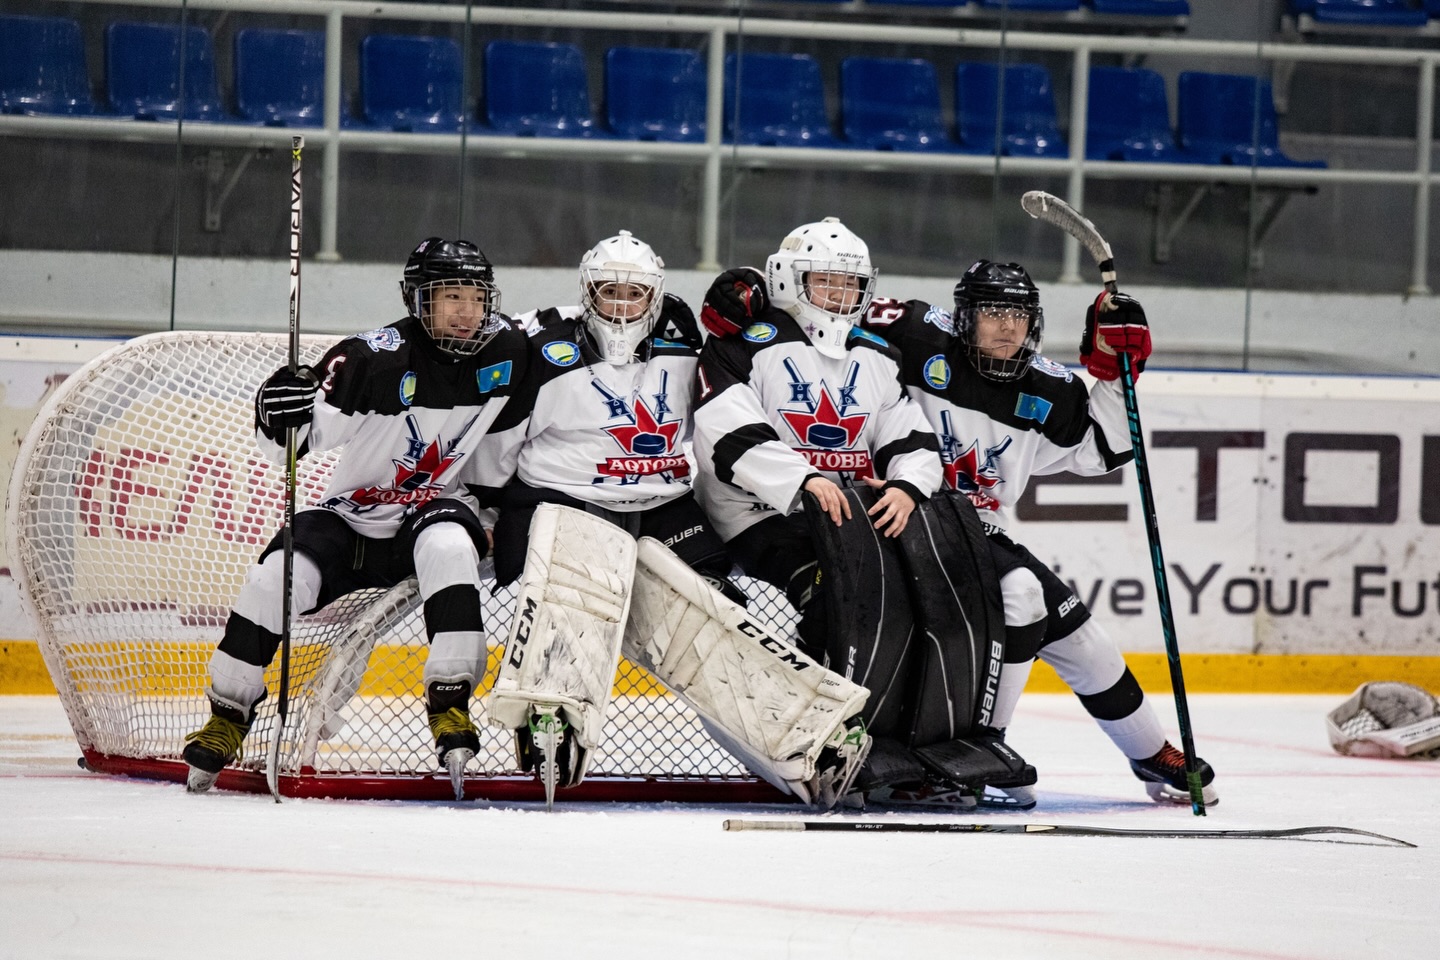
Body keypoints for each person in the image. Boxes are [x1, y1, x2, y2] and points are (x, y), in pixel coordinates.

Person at [703, 256, 1218, 806]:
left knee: (1076, 633)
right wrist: (747, 292)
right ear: (963, 316)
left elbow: (1107, 449)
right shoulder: (911, 329)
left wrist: (1115, 373)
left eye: (1019, 315)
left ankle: (1144, 751)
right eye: (993, 312)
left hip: (973, 527)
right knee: (1019, 597)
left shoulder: (1052, 386)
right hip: (902, 513)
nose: (1007, 326)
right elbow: (824, 297)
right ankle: (973, 751)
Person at [693, 218, 1033, 805]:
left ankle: (917, 741)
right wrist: (803, 480)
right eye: (825, 283)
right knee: (833, 593)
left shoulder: (876, 354)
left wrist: (906, 486)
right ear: (787, 280)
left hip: (845, 513)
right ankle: (823, 739)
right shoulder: (746, 342)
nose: (839, 298)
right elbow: (724, 432)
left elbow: (912, 439)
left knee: (931, 589)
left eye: (851, 286)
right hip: (760, 513)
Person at [181, 237, 529, 794]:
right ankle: (228, 714)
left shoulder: (509, 351)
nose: (468, 312)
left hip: (434, 511)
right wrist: (276, 409)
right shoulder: (369, 358)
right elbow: (288, 444)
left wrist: (493, 512)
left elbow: (508, 442)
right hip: (351, 520)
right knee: (275, 579)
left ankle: (450, 706)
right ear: (418, 300)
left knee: (449, 546)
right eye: (451, 297)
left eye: (477, 297)